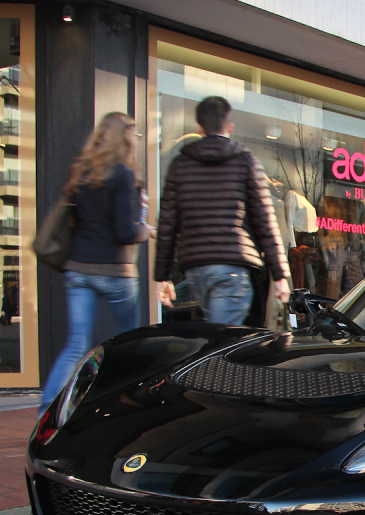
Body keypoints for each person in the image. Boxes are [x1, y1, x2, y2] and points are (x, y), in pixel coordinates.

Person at [39, 112, 150, 416]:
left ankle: (47, 412)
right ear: (125, 136)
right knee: (132, 343)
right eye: (133, 133)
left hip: (77, 269)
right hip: (113, 271)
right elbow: (125, 231)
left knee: (75, 345)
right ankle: (132, 408)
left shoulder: (81, 173)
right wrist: (147, 230)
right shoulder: (124, 174)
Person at [155, 96, 290, 324]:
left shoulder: (181, 164)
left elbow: (167, 222)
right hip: (232, 266)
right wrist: (280, 275)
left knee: (218, 334)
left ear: (199, 127)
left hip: (196, 267)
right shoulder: (245, 161)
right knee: (222, 341)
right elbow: (265, 220)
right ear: (229, 126)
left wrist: (162, 276)